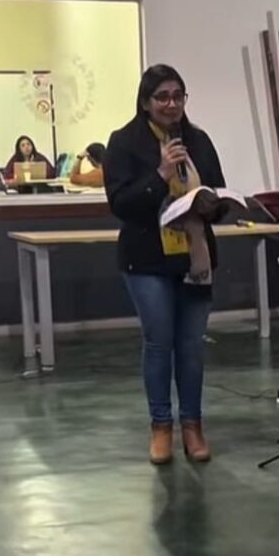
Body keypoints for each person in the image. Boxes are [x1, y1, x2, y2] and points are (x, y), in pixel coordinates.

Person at [103, 64, 226, 465]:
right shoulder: (124, 142)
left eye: (178, 96)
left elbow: (217, 192)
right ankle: (161, 427)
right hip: (147, 258)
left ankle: (192, 425)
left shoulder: (198, 140)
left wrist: (213, 205)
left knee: (191, 345)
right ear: (145, 102)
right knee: (159, 342)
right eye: (162, 97)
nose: (172, 104)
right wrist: (161, 173)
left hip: (194, 256)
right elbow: (121, 204)